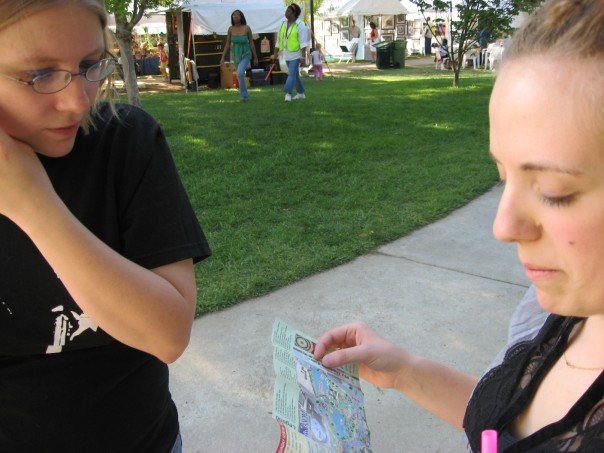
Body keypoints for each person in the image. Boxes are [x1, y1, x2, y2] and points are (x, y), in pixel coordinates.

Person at [314, 1, 604, 450]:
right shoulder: (561, 310)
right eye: (503, 177)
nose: (503, 226)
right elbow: (512, 426)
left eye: (553, 190)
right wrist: (406, 371)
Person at [0, 1, 211, 451]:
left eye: (91, 65)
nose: (77, 101)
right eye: (41, 75)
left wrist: (33, 204)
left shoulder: (126, 142)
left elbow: (168, 334)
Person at [272, 3, 310, 102]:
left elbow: (303, 43)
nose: (286, 12)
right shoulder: (283, 24)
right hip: (286, 54)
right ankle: (301, 93)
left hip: (296, 55)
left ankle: (287, 94)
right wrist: (275, 53)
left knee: (291, 74)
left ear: (294, 13)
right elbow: (279, 40)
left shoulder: (300, 25)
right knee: (295, 75)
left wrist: (302, 57)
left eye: (288, 11)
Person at [220, 9, 258, 102]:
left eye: (237, 15)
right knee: (240, 75)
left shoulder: (247, 28)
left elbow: (252, 43)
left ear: (241, 17)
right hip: (235, 54)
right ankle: (244, 96)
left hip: (246, 53)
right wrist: (223, 57)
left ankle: (243, 96)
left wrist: (255, 57)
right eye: (233, 15)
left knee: (240, 73)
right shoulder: (230, 29)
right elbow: (227, 44)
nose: (235, 16)